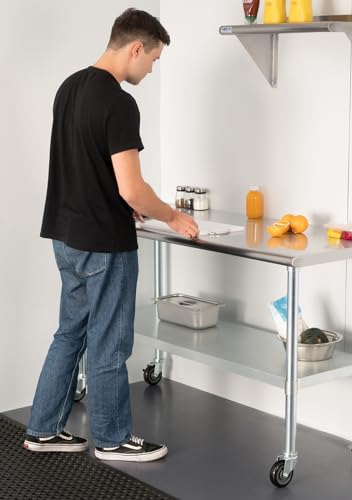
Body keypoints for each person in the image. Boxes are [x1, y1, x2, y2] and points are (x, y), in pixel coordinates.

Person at [23, 8, 198, 463]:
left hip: (66, 235)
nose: (152, 69)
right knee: (109, 342)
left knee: (70, 334)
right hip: (104, 244)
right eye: (153, 59)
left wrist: (126, 202)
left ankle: (42, 429)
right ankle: (112, 438)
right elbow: (131, 187)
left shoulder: (69, 87)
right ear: (136, 48)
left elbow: (86, 166)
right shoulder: (119, 103)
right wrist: (171, 216)